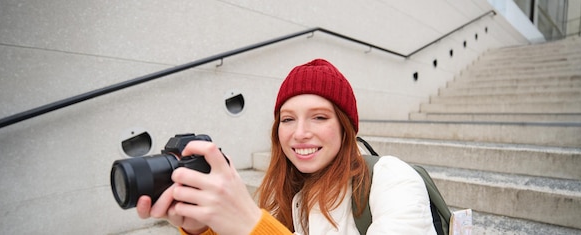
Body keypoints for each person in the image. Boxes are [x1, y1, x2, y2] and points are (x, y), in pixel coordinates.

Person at [136, 58, 436, 235]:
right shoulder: (285, 193)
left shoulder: (392, 177)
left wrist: (253, 224)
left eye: (319, 117)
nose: (300, 133)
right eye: (288, 119)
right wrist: (203, 230)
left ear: (346, 128)